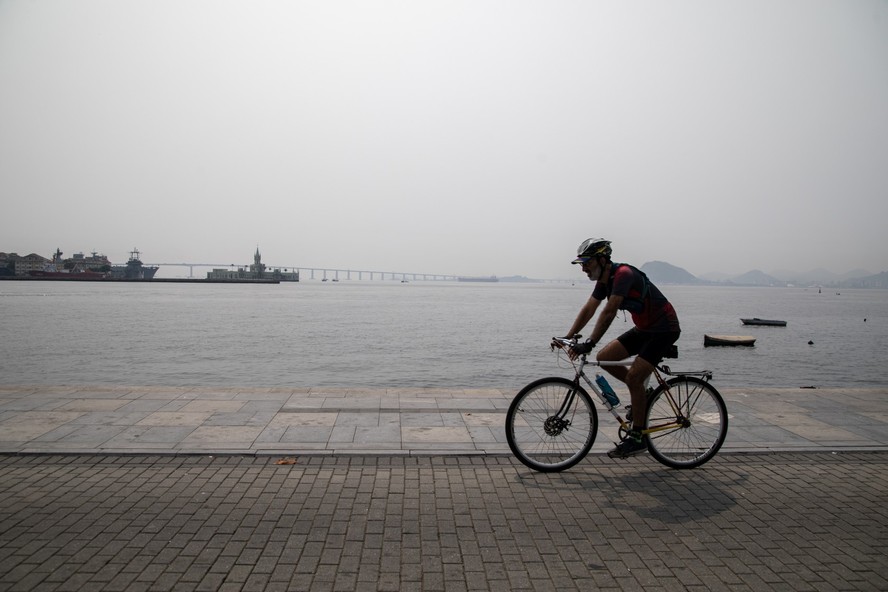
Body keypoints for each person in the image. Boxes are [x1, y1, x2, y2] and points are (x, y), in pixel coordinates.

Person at [562, 238, 681, 458]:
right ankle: (643, 395)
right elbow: (590, 308)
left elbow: (609, 311)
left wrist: (589, 342)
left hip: (664, 329)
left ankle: (638, 438)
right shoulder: (604, 281)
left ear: (602, 259)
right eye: (581, 264)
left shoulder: (624, 275)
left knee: (634, 378)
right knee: (605, 357)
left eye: (586, 262)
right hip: (645, 329)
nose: (583, 268)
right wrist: (568, 336)